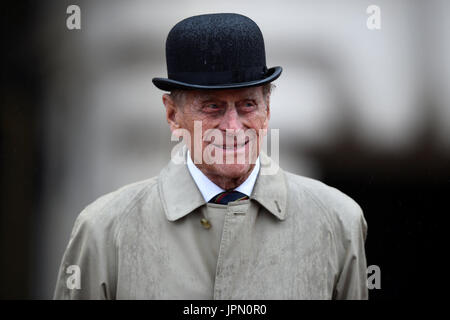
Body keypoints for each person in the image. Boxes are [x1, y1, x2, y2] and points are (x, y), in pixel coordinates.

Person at [54, 13, 368, 300]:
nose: (232, 127)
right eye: (212, 107)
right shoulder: (103, 231)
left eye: (247, 104)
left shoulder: (337, 222)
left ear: (267, 110)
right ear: (173, 114)